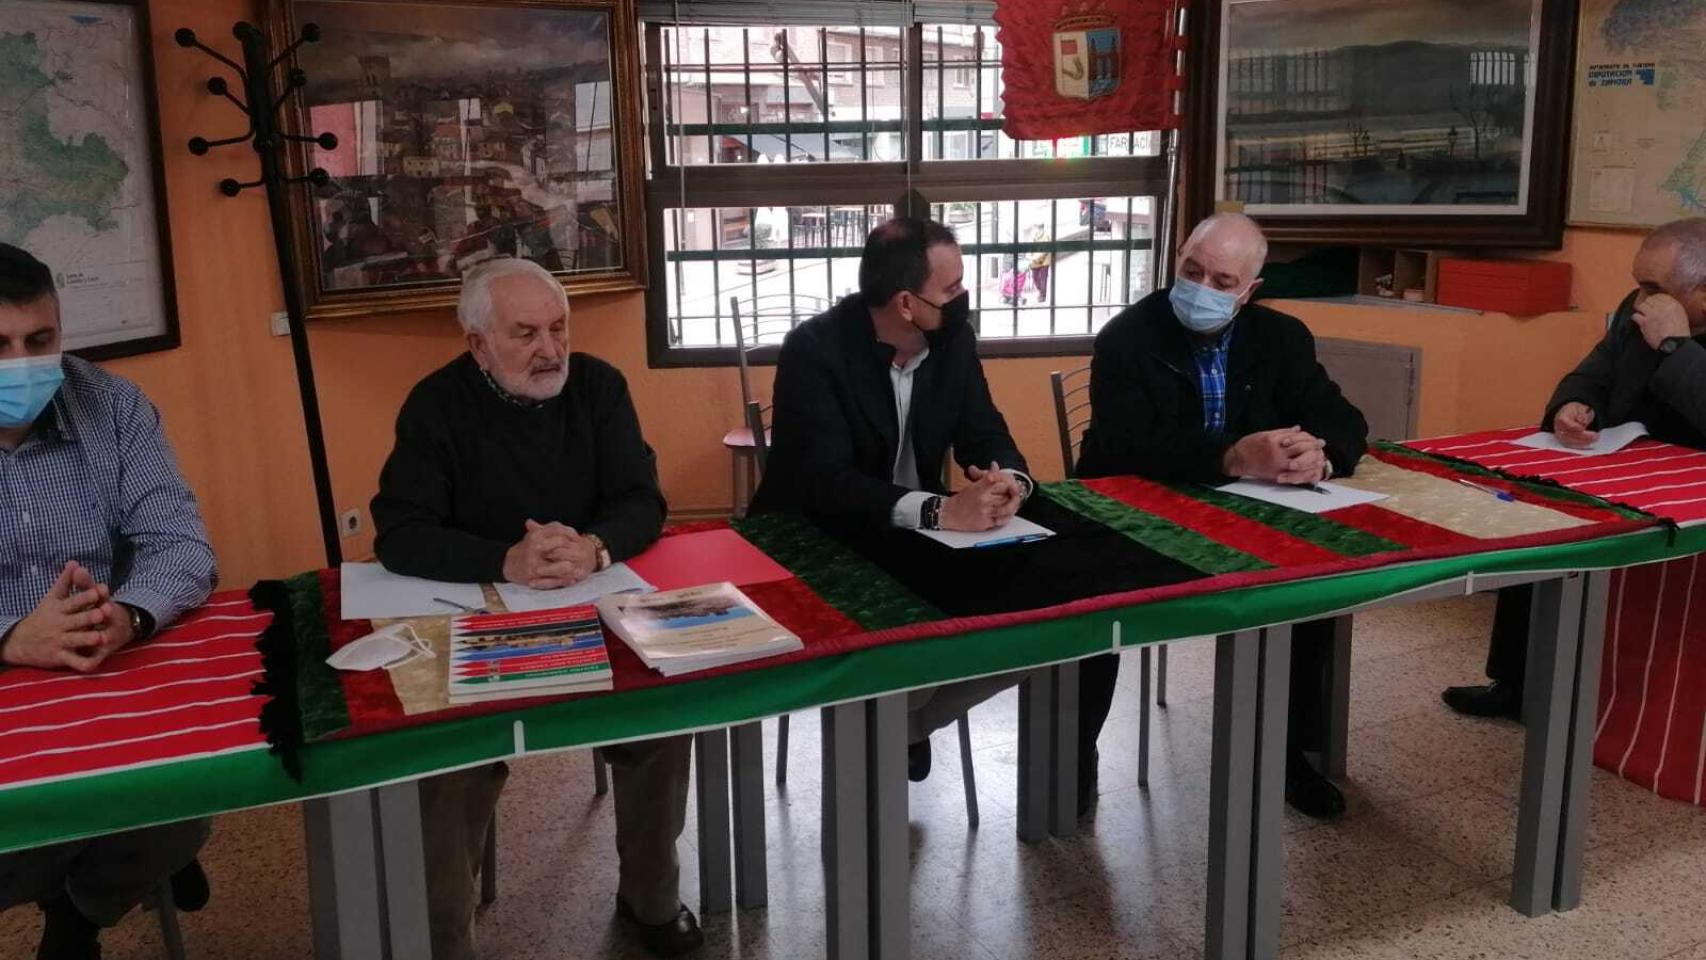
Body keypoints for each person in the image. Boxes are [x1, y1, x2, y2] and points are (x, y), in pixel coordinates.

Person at [370, 258, 698, 958]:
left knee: (665, 721)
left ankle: (652, 901)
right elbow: (400, 531)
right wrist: (505, 560)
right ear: (477, 343)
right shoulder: (435, 405)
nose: (550, 351)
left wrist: (595, 546)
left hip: (593, 604)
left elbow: (643, 499)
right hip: (481, 624)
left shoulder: (600, 388)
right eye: (526, 334)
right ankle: (446, 944)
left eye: (559, 329)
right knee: (447, 764)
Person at [1076, 213, 1369, 820]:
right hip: (1140, 515)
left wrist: (1321, 454)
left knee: (1307, 585)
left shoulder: (1282, 339)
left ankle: (1286, 753)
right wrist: (1232, 456)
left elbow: (1345, 421)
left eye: (1221, 279)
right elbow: (1124, 447)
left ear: (1249, 291)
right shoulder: (1127, 337)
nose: (1201, 288)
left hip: (1250, 516)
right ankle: (1073, 755)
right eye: (1191, 270)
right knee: (1089, 600)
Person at [750, 216, 1033, 781]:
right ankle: (885, 731)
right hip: (818, 539)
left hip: (918, 534)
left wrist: (1011, 484)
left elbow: (985, 430)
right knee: (895, 651)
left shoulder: (952, 342)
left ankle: (903, 727)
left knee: (1031, 625)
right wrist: (938, 510)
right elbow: (824, 482)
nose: (963, 301)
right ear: (907, 303)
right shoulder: (815, 350)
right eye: (952, 291)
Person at [0, 243, 218, 960]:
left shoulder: (112, 404)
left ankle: (81, 915)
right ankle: (105, 871)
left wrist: (124, 615)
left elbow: (182, 546)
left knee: (184, 806)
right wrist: (11, 638)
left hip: (108, 674)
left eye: (40, 341)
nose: (22, 364)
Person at [1443, 218, 1706, 720]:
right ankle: (1516, 682)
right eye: (1637, 283)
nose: (1639, 299)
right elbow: (1591, 375)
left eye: (1654, 289)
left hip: (1688, 494)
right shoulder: (1636, 313)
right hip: (1623, 467)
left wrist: (1676, 346)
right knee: (1540, 519)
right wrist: (1573, 407)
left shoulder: (1665, 327)